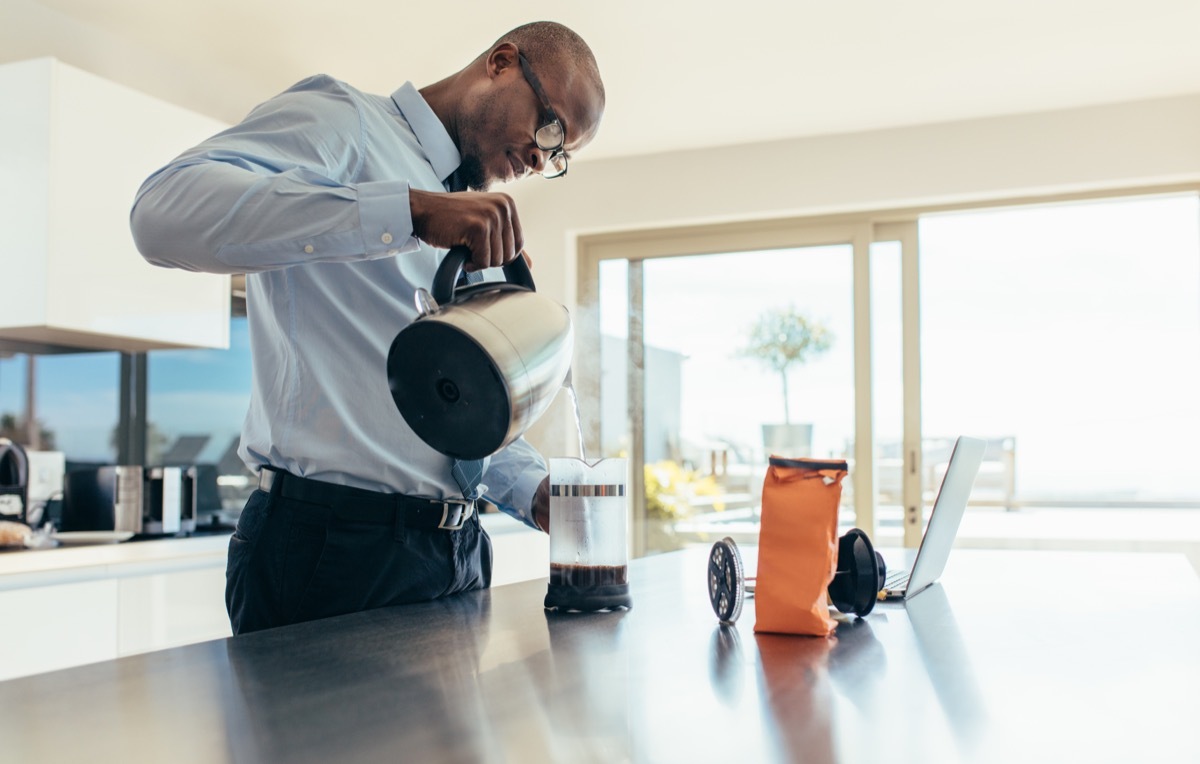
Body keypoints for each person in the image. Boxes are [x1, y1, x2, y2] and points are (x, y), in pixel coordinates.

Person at [130, 21, 605, 635]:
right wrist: (407, 210)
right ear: (502, 62)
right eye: (550, 128)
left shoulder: (465, 213)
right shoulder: (346, 122)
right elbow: (160, 213)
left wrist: (533, 488)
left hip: (457, 555)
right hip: (330, 551)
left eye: (560, 155)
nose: (543, 158)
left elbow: (445, 418)